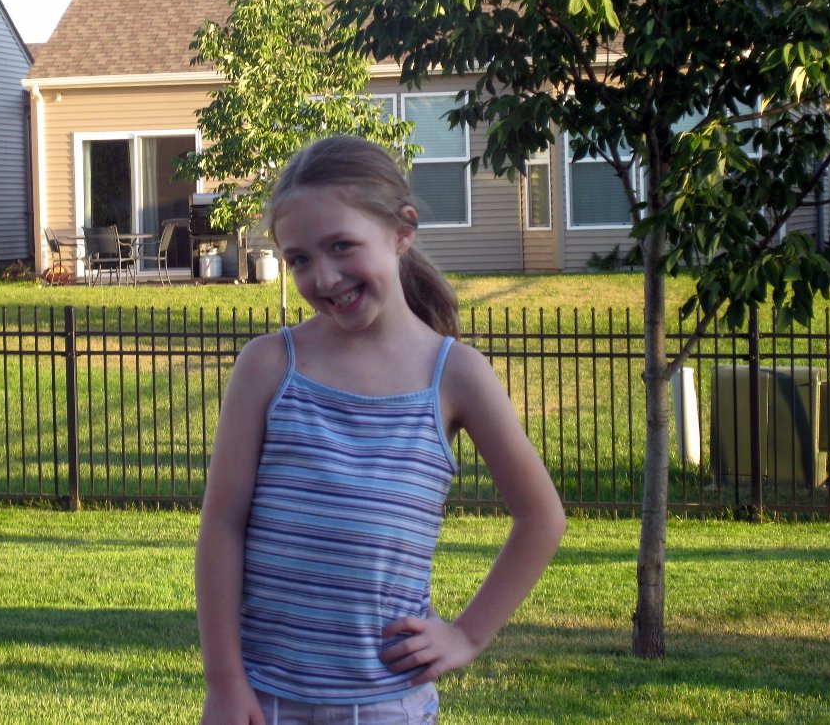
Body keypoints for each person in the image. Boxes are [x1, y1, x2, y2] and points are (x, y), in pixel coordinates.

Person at [196, 135, 566, 724]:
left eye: (342, 246)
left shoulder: (455, 375)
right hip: (263, 699)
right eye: (300, 260)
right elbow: (222, 525)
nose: (324, 277)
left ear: (402, 231)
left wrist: (467, 635)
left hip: (387, 703)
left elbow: (541, 516)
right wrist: (224, 681)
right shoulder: (268, 366)